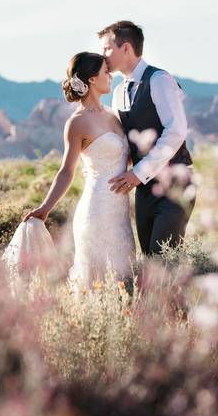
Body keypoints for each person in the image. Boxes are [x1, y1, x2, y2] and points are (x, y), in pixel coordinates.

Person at [19, 52, 136, 286]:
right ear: (92, 79)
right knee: (98, 281)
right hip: (96, 211)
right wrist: (45, 208)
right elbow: (66, 171)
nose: (110, 76)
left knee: (125, 278)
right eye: (105, 71)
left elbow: (125, 157)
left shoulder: (113, 115)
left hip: (120, 212)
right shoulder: (77, 122)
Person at [99, 20, 195, 256]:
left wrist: (137, 173)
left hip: (176, 184)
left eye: (107, 49)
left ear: (126, 48)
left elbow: (176, 131)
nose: (103, 56)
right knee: (151, 262)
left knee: (164, 261)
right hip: (143, 191)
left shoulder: (159, 80)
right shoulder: (119, 91)